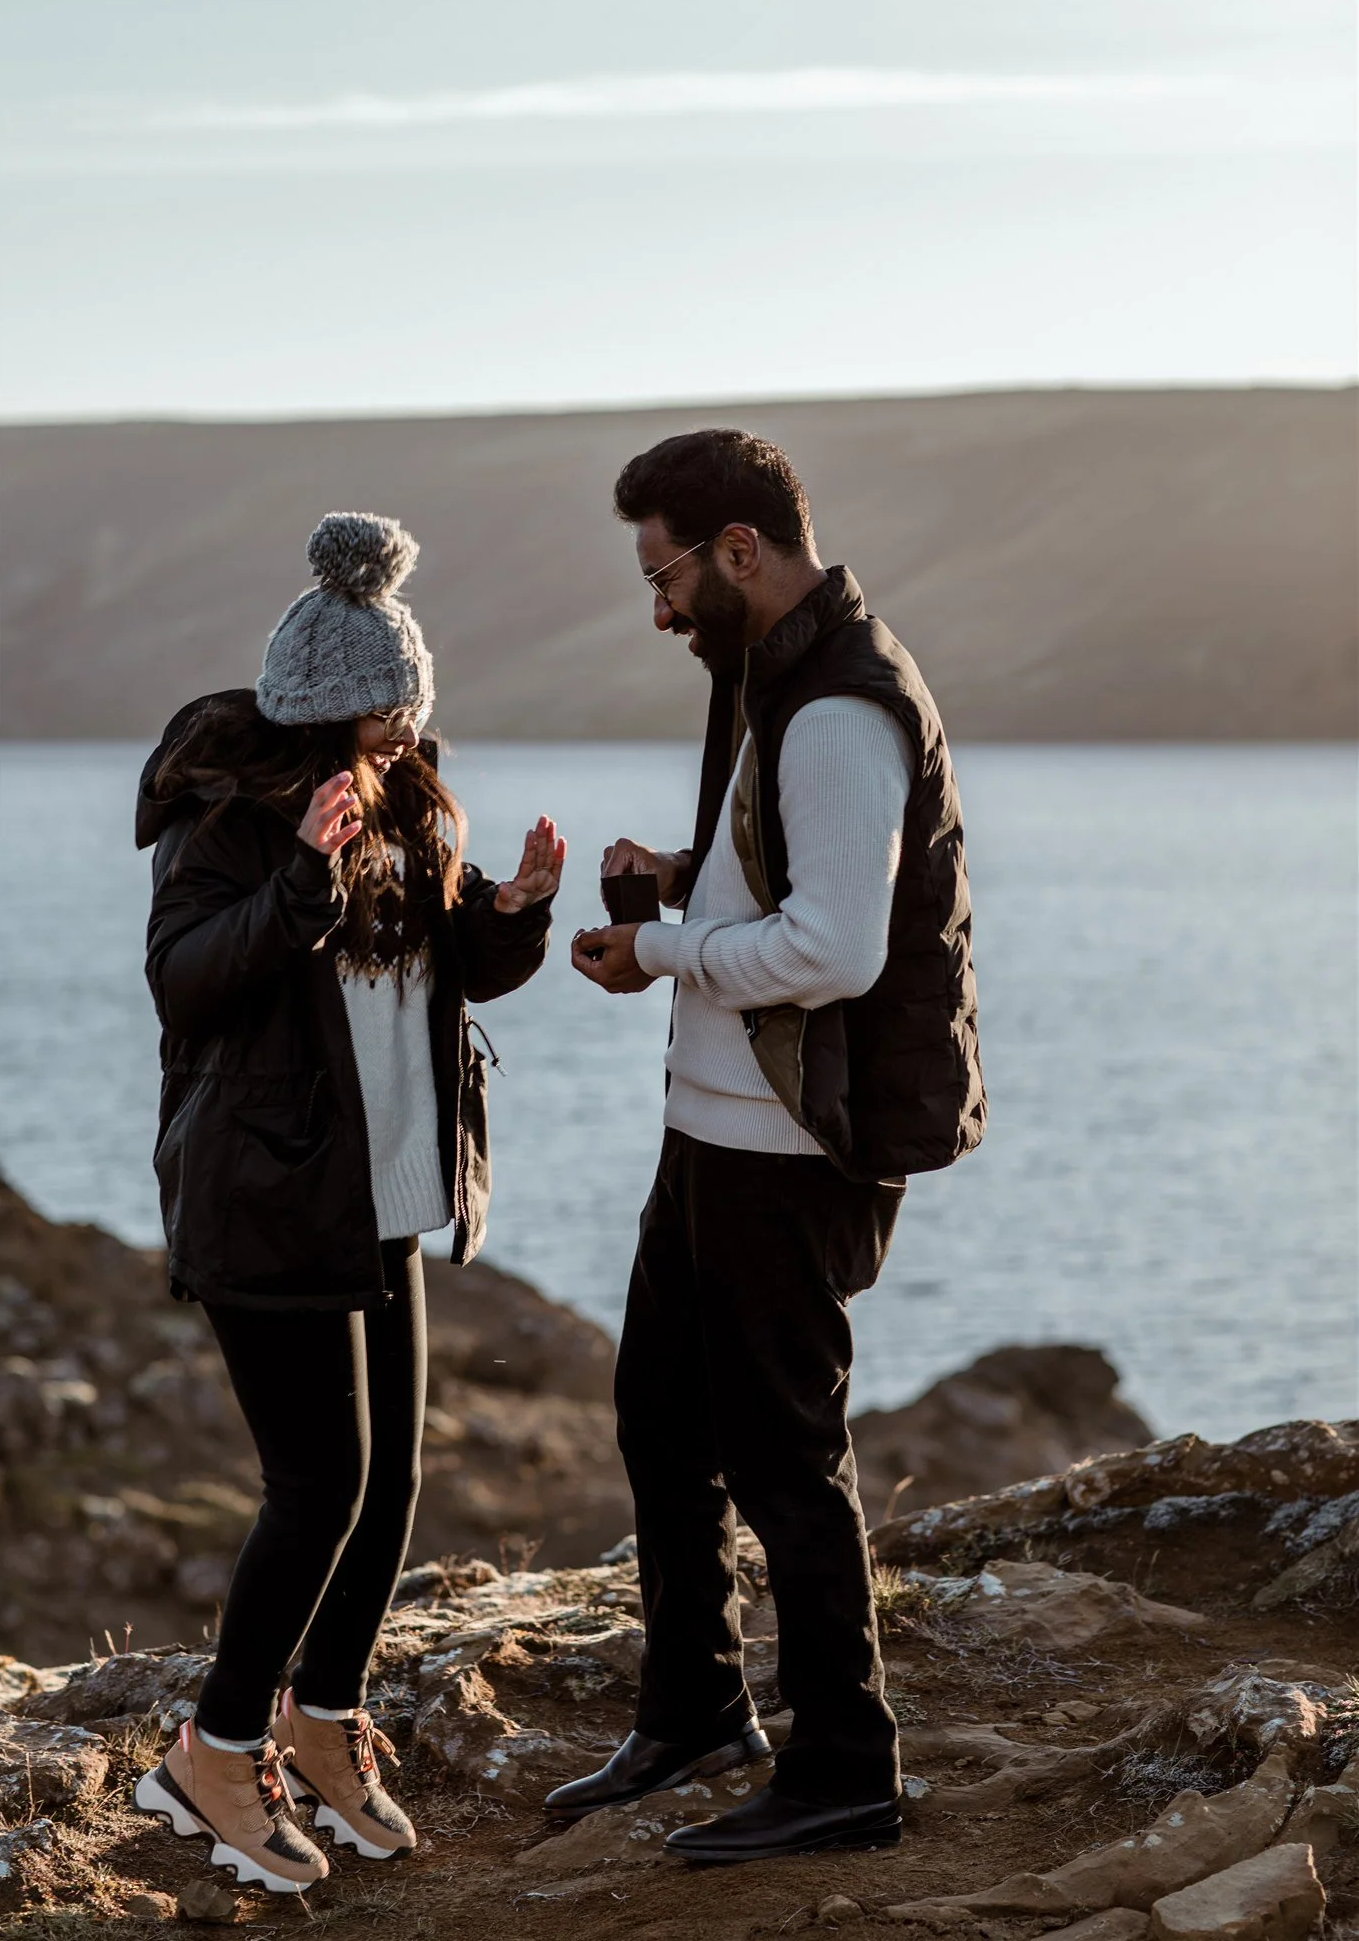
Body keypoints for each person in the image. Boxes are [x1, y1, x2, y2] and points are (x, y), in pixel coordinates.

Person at [557, 430, 984, 1863]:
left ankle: (847, 1767)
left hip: (794, 1145)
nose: (659, 608)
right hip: (718, 1125)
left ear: (739, 549)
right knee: (660, 1418)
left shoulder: (843, 707)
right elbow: (781, 880)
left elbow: (837, 948)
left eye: (665, 574)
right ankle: (693, 1708)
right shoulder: (771, 677)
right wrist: (679, 884)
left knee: (781, 1451)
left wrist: (664, 944)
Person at [131, 512, 564, 1894]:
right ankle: (211, 1751)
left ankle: (321, 1722)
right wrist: (303, 881)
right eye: (382, 716)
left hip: (382, 1192)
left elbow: (448, 976)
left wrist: (517, 913)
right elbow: (187, 978)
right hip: (265, 1195)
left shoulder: (408, 800)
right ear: (328, 712)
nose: (399, 735)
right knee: (315, 1487)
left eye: (406, 713)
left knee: (388, 1490)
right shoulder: (229, 822)